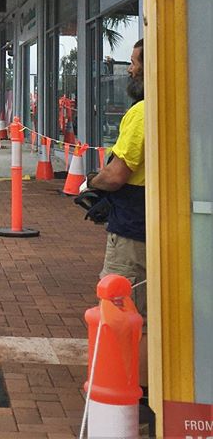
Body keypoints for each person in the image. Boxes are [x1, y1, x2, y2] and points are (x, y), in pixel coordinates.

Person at [88, 39, 146, 317]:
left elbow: (115, 176)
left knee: (120, 312)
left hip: (132, 230)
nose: (130, 70)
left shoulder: (142, 113)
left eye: (134, 63)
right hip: (151, 223)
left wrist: (91, 183)